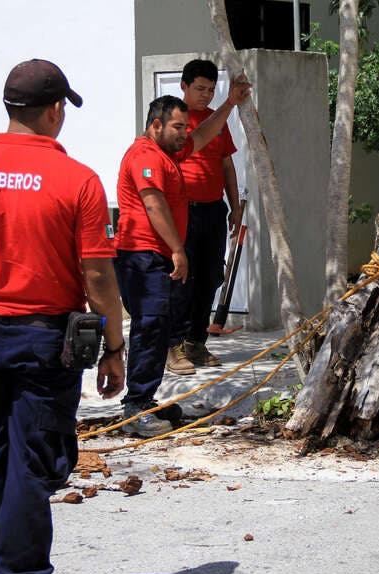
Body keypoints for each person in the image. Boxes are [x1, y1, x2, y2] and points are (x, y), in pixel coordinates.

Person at [0, 59, 125, 574]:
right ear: (55, 109)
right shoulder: (79, 180)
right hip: (46, 342)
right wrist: (114, 347)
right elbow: (96, 275)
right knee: (31, 466)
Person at [113, 75, 250, 436]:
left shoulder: (169, 151)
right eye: (176, 127)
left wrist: (230, 103)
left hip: (156, 256)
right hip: (141, 256)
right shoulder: (145, 155)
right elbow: (153, 204)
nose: (183, 133)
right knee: (151, 327)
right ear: (155, 125)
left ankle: (144, 400)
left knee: (160, 328)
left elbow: (204, 135)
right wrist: (177, 249)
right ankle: (135, 407)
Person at [167, 58, 242, 375]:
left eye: (211, 89)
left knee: (211, 277)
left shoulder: (217, 121)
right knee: (181, 279)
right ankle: (173, 347)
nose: (205, 95)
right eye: (200, 88)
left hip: (213, 209)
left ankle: (197, 342)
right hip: (182, 211)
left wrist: (235, 207)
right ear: (184, 86)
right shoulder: (173, 120)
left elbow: (226, 165)